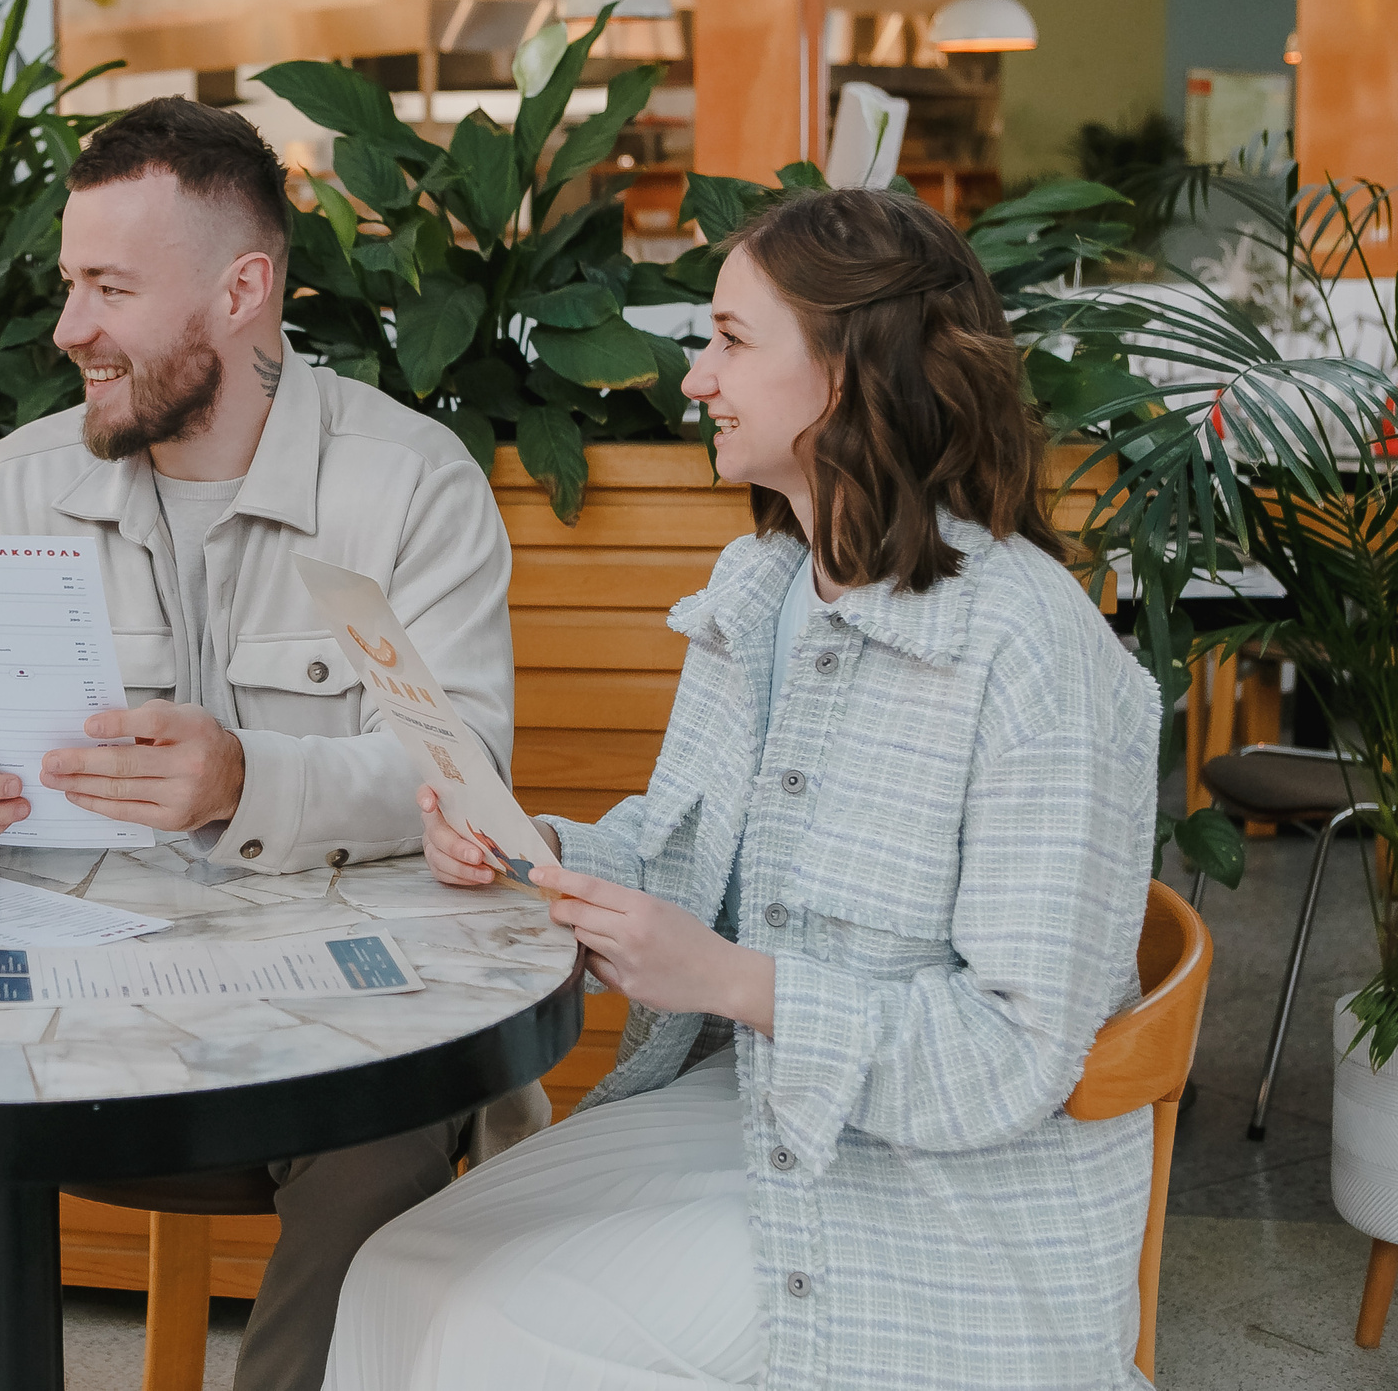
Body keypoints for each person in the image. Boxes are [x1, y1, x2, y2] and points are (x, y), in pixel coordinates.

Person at [327, 187, 1160, 1390]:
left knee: (478, 1327)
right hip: (752, 1112)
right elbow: (681, 855)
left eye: (728, 339)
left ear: (847, 370)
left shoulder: (1030, 647)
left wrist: (729, 980)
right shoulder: (763, 583)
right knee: (394, 1272)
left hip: (934, 1201)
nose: (694, 378)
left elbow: (1012, 1055)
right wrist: (527, 849)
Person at [0, 97, 522, 1391]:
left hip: (313, 1014)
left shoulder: (412, 486)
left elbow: (465, 773)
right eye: (70, 281)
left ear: (243, 287)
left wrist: (249, 776)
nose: (70, 326)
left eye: (110, 287)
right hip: (38, 1009)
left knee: (387, 1129)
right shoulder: (19, 481)